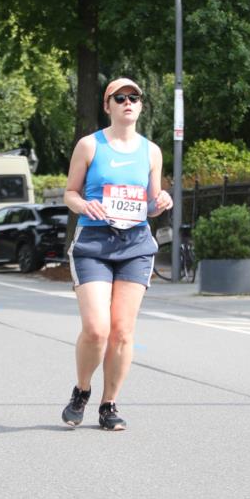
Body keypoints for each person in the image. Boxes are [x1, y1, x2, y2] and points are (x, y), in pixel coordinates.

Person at [61, 78, 173, 431]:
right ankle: (82, 390)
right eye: (120, 97)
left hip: (135, 245)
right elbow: (70, 193)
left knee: (122, 332)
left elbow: (150, 204)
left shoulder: (151, 151)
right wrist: (84, 205)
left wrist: (161, 201)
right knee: (97, 329)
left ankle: (109, 404)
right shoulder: (89, 145)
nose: (128, 102)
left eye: (134, 97)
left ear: (140, 105)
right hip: (94, 244)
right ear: (107, 105)